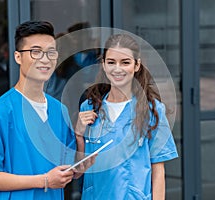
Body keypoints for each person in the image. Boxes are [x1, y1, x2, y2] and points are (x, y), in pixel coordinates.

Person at [0, 20, 77, 199]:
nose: (45, 59)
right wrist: (45, 180)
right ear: (18, 57)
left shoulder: (59, 111)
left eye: (51, 52)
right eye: (35, 52)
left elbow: (70, 168)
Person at [75, 34, 178, 200]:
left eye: (125, 62)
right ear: (103, 65)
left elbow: (158, 170)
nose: (118, 69)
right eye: (111, 62)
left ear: (137, 65)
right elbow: (78, 172)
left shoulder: (153, 110)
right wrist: (79, 135)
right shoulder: (89, 107)